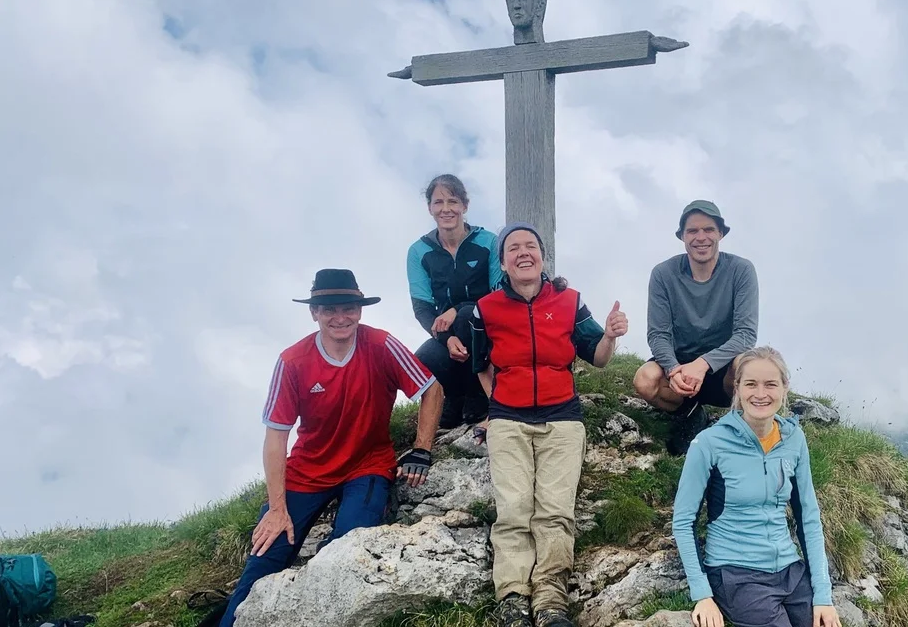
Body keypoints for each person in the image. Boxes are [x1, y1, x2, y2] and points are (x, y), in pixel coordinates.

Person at [219, 269, 444, 627]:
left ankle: (297, 599)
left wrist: (421, 448)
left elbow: (430, 388)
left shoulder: (382, 345)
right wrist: (277, 508)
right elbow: (276, 437)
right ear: (314, 313)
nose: (340, 318)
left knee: (347, 546)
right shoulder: (293, 361)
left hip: (367, 466)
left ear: (360, 310)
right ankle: (230, 617)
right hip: (307, 471)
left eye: (348, 308)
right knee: (266, 555)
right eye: (329, 309)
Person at [455, 222, 628, 627]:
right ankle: (513, 599)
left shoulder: (570, 300)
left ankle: (551, 602)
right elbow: (481, 364)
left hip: (562, 419)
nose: (522, 253)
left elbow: (597, 356)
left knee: (554, 513)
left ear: (543, 257)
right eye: (513, 248)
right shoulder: (486, 308)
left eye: (530, 246)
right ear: (503, 262)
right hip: (508, 420)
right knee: (514, 510)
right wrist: (498, 403)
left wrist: (611, 336)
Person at [671, 346, 841, 627]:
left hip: (789, 570)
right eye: (750, 384)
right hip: (736, 573)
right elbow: (683, 520)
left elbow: (808, 518)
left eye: (770, 384)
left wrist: (822, 595)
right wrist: (702, 594)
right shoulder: (709, 443)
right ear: (736, 387)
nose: (760, 394)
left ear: (785, 387)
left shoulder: (794, 439)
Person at [633, 200, 759, 455]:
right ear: (682, 236)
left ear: (721, 233)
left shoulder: (741, 270)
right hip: (679, 370)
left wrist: (702, 364)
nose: (701, 237)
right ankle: (689, 414)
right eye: (692, 231)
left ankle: (738, 427)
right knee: (645, 380)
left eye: (709, 229)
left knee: (748, 364)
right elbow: (658, 334)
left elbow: (746, 334)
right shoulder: (663, 274)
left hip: (723, 368)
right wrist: (672, 367)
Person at [406, 174, 501, 429]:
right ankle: (454, 397)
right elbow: (422, 308)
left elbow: (496, 294)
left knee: (467, 315)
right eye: (438, 202)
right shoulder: (419, 251)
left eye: (453, 201)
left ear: (465, 206)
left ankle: (478, 395)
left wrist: (457, 309)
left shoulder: (488, 241)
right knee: (424, 357)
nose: (446, 209)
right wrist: (446, 339)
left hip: (487, 328)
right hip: (447, 332)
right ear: (430, 208)